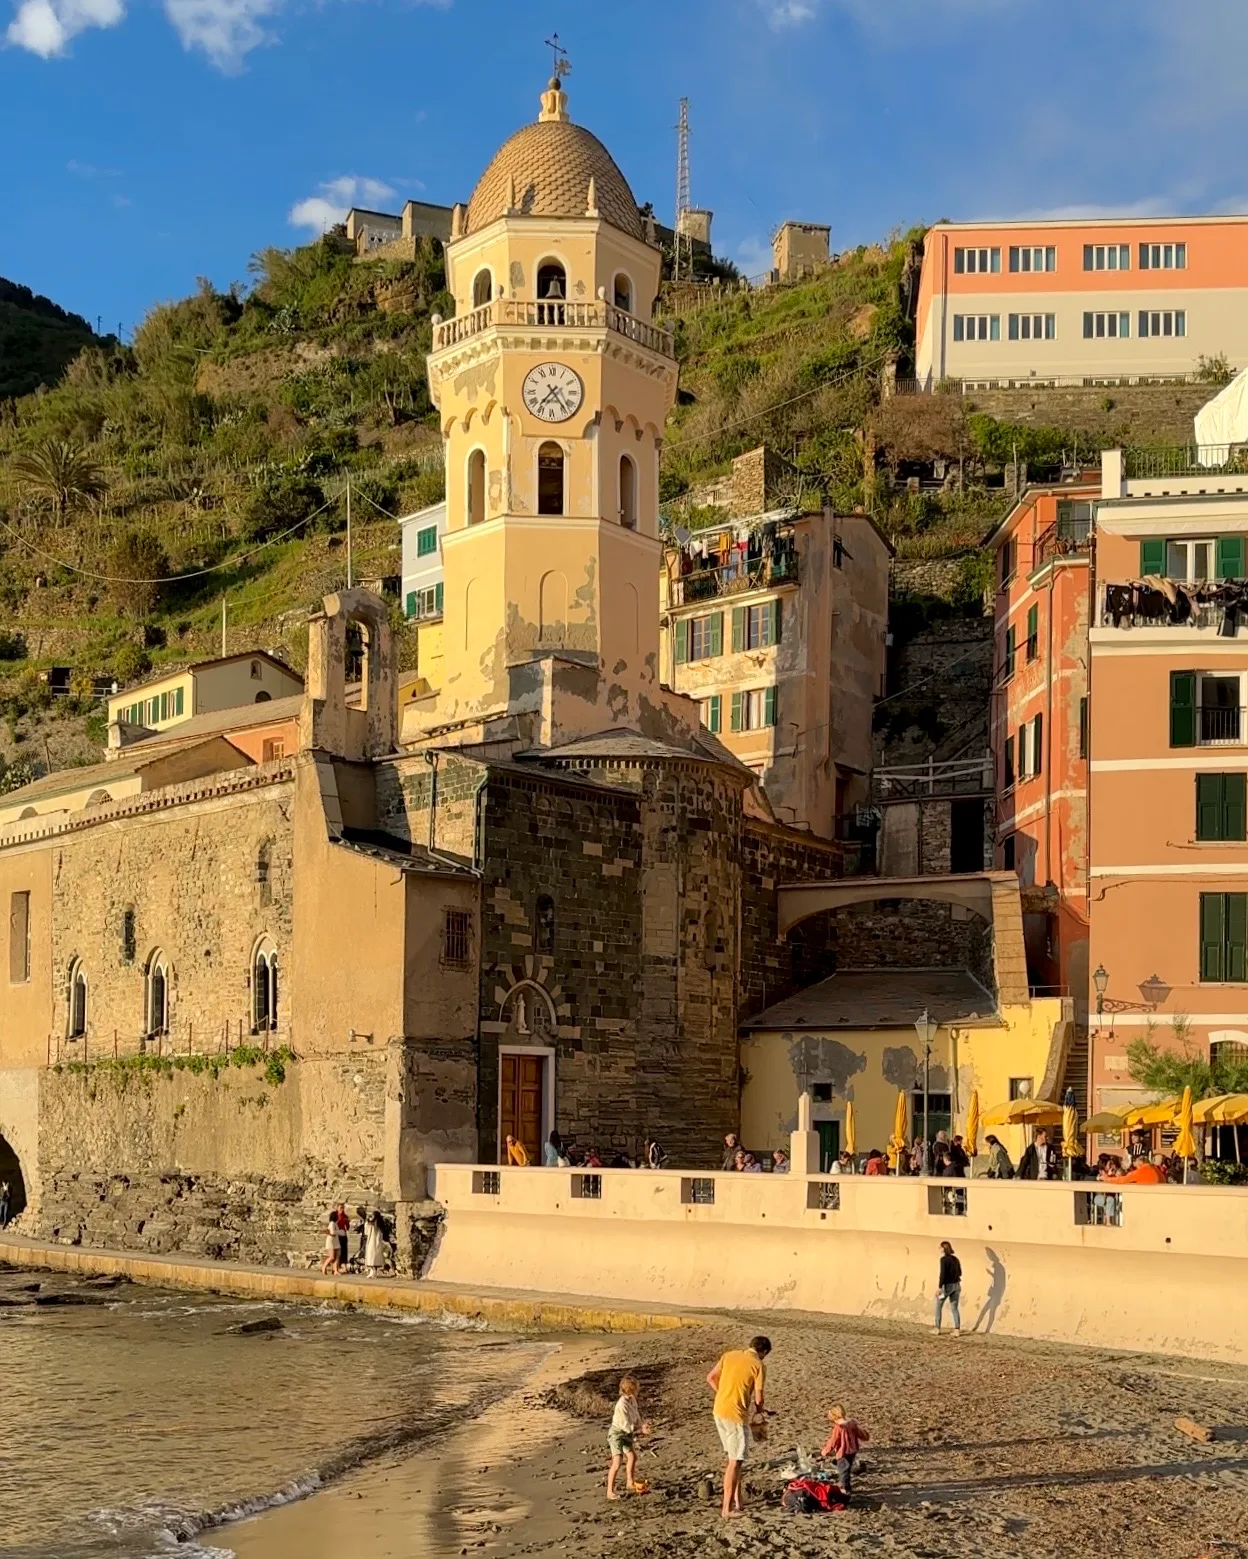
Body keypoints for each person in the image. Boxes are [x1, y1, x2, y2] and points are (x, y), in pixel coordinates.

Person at [707, 1335, 771, 1520]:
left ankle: (738, 1500)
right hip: (735, 1415)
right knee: (735, 1461)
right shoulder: (758, 1365)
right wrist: (759, 1411)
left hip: (719, 1410)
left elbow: (710, 1378)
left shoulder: (729, 1355)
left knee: (734, 1458)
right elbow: (759, 1398)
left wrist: (724, 1393)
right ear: (764, 1352)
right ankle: (726, 1509)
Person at [606, 1375, 651, 1499]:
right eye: (636, 1389)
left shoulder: (632, 1400)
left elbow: (636, 1416)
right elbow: (626, 1425)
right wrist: (640, 1430)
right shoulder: (621, 1405)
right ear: (631, 1390)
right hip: (617, 1434)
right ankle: (610, 1491)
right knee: (617, 1462)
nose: (638, 1391)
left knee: (632, 1456)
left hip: (627, 1433)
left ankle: (630, 1482)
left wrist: (642, 1425)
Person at [821, 1404, 870, 1496]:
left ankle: (844, 1489)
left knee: (843, 1471)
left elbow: (833, 1441)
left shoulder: (838, 1428)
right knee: (847, 1468)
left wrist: (826, 1451)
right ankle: (846, 1486)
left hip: (843, 1452)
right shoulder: (852, 1423)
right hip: (852, 1450)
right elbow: (861, 1433)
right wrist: (865, 1436)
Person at [932, 1239, 962, 1336]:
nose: (939, 1249)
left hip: (947, 1286)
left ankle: (937, 1328)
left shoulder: (943, 1260)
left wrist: (940, 1287)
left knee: (938, 1305)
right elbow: (960, 1272)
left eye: (940, 1247)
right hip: (957, 1285)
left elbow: (943, 1274)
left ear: (944, 1249)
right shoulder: (955, 1259)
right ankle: (957, 1330)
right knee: (954, 1308)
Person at [363, 1208, 387, 1277]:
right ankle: (375, 1272)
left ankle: (372, 1271)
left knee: (371, 1256)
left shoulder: (372, 1224)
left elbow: (366, 1232)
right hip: (378, 1242)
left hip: (372, 1242)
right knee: (376, 1256)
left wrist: (366, 1222)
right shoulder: (380, 1225)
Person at [320, 1208, 339, 1275]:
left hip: (335, 1241)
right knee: (332, 1256)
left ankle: (335, 1270)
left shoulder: (335, 1223)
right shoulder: (332, 1223)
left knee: (336, 1257)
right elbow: (332, 1232)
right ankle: (324, 1266)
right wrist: (338, 1232)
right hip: (331, 1241)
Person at [334, 1203, 351, 1273]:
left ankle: (343, 1265)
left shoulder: (345, 1216)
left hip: (343, 1235)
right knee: (337, 1252)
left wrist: (347, 1223)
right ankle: (336, 1267)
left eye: (343, 1208)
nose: (342, 1209)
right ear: (337, 1208)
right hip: (337, 1235)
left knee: (344, 1251)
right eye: (340, 1207)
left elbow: (347, 1227)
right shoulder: (335, 1216)